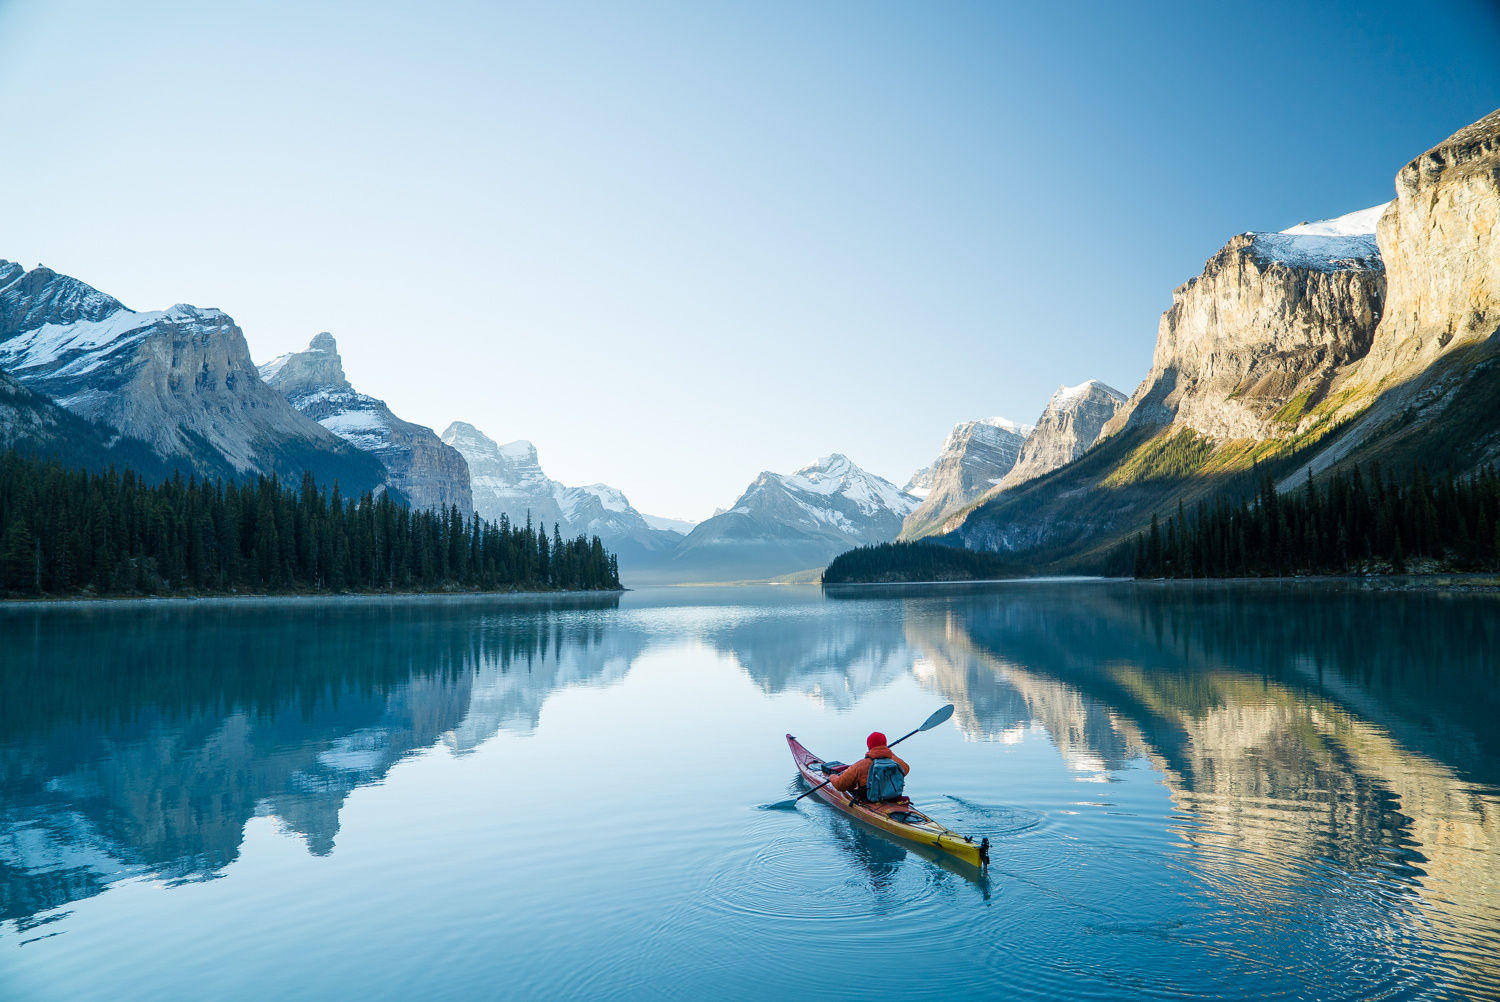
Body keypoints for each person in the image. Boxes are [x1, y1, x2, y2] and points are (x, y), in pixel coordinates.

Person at [830, 731, 910, 802]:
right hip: (893, 797)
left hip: (868, 800)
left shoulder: (860, 765)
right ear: (885, 744)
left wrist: (832, 777)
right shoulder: (895, 761)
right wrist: (887, 753)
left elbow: (840, 785)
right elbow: (906, 770)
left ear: (869, 746)